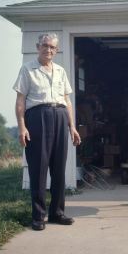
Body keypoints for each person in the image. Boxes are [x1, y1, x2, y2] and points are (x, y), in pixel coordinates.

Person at [13, 32, 81, 231]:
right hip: (37, 117)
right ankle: (38, 216)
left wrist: (72, 126)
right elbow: (20, 101)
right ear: (37, 46)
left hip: (60, 116)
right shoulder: (27, 70)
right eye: (45, 45)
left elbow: (67, 101)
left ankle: (57, 212)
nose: (48, 49)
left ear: (56, 50)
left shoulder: (60, 71)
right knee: (39, 168)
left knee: (59, 168)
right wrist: (22, 126)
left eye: (52, 47)